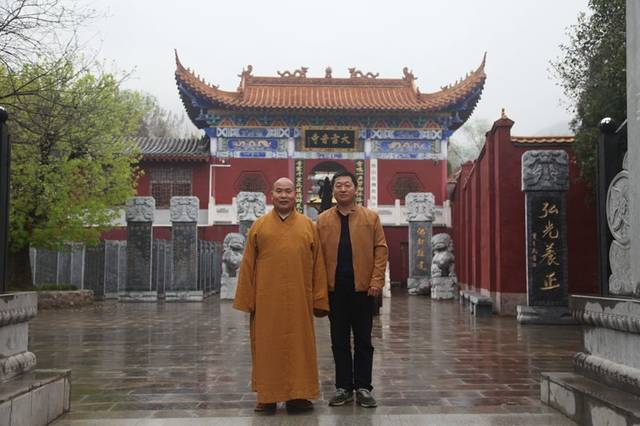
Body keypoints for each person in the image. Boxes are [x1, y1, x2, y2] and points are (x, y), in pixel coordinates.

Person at [233, 177, 329, 414]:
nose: (284, 195)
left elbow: (319, 266)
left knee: (300, 347)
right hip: (267, 300)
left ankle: (299, 395)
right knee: (266, 346)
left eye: (288, 191)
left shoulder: (309, 226)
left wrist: (319, 298)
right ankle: (267, 396)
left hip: (300, 299)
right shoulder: (259, 226)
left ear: (295, 195)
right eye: (279, 191)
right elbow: (248, 265)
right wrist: (247, 299)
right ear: (272, 195)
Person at [316, 171, 388, 408]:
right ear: (333, 191)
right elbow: (315, 257)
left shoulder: (370, 218)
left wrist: (377, 281)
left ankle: (364, 387)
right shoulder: (323, 220)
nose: (343, 189)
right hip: (335, 290)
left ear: (355, 189)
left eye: (347, 185)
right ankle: (343, 387)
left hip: (363, 290)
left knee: (364, 341)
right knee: (338, 341)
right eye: (339, 186)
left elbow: (381, 250)